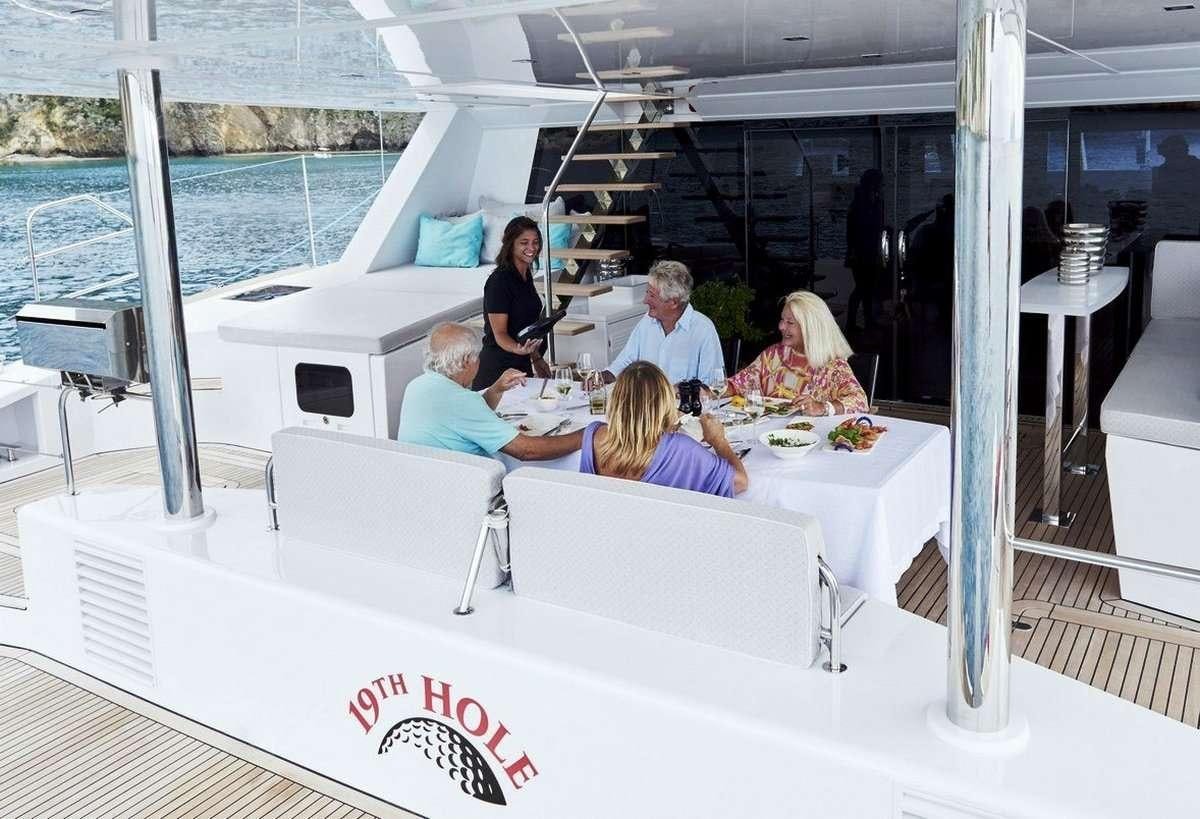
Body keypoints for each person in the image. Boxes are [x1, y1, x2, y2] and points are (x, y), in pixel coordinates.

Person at [399, 322, 583, 461]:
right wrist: (586, 436)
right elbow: (526, 450)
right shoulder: (462, 401)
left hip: (423, 482)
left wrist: (495, 390)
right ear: (465, 361)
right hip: (463, 490)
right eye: (477, 357)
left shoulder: (416, 386)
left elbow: (464, 421)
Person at [580, 361, 747, 497]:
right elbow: (740, 482)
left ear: (615, 401)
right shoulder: (681, 448)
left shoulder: (593, 435)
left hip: (603, 530)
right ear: (664, 402)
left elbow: (553, 447)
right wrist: (719, 441)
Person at [726, 291, 869, 417]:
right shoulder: (773, 355)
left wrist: (822, 408)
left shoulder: (832, 364)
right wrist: (709, 391)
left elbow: (860, 403)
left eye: (790, 322)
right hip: (770, 436)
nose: (781, 326)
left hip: (811, 439)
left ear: (810, 327)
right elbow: (738, 384)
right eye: (782, 320)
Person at [601, 260, 723, 385]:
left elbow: (711, 386)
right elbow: (624, 362)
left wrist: (680, 392)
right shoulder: (646, 322)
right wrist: (601, 377)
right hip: (646, 403)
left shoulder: (703, 329)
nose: (645, 300)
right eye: (647, 292)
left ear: (673, 302)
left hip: (681, 404)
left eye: (652, 296)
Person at [473, 216, 552, 390]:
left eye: (535, 242)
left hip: (521, 367)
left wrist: (536, 359)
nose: (531, 248)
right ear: (511, 244)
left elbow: (526, 329)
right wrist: (519, 349)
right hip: (497, 370)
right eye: (524, 242)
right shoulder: (499, 281)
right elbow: (500, 334)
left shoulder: (525, 276)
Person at [844, 168, 887, 332]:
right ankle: (854, 323)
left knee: (865, 288)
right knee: (863, 288)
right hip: (863, 253)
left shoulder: (864, 203)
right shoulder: (863, 205)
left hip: (865, 252)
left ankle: (864, 321)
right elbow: (859, 231)